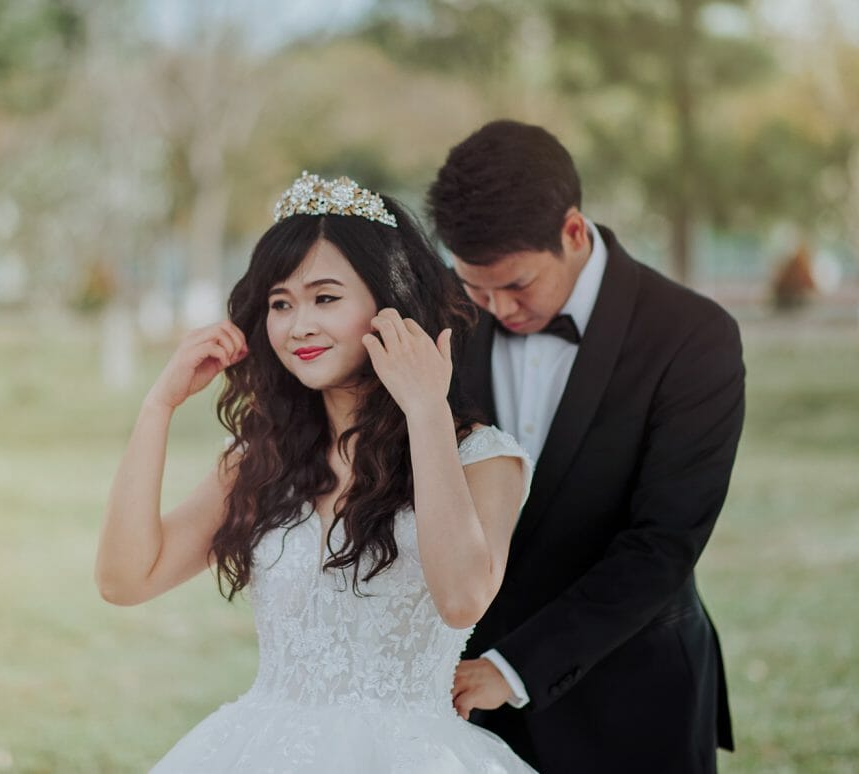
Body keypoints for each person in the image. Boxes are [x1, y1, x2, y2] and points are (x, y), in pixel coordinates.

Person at [96, 171, 537, 773]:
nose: (298, 324)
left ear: (389, 302)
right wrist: (158, 406)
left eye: (325, 298)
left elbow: (462, 599)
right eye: (281, 303)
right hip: (258, 748)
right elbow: (126, 580)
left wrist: (425, 409)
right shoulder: (263, 462)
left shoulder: (483, 458)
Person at [428, 120, 745, 772]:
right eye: (474, 288)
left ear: (574, 231)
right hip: (464, 706)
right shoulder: (447, 322)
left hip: (634, 693)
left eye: (516, 286)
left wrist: (514, 667)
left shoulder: (693, 337)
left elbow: (663, 544)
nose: (493, 309)